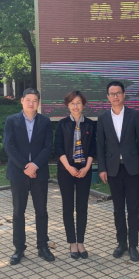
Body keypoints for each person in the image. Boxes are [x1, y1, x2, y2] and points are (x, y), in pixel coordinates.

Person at [97, 81, 139, 262]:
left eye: (118, 93)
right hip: (113, 169)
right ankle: (121, 244)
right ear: (108, 97)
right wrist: (102, 168)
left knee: (133, 208)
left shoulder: (134, 115)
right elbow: (100, 145)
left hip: (132, 168)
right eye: (112, 94)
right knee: (118, 209)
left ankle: (133, 245)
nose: (115, 96)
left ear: (124, 94)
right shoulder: (103, 118)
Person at [3, 88, 55, 265]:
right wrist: (26, 166)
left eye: (35, 100)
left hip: (39, 173)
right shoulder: (11, 120)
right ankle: (19, 248)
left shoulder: (45, 121)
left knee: (42, 211)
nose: (31, 103)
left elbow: (48, 146)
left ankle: (43, 246)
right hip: (18, 173)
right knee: (18, 212)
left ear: (38, 102)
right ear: (22, 100)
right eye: (28, 99)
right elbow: (9, 146)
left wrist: (35, 165)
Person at [54, 91, 96, 260]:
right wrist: (69, 167)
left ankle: (81, 242)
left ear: (83, 105)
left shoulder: (90, 124)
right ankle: (72, 242)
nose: (76, 106)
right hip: (66, 170)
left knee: (82, 207)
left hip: (84, 170)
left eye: (78, 103)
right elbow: (58, 148)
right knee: (68, 206)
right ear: (68, 105)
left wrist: (87, 167)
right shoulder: (62, 124)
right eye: (72, 103)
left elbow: (93, 148)